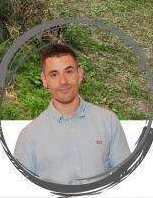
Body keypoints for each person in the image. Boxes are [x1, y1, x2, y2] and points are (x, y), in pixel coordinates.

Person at [13, 42, 130, 184]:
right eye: (54, 74)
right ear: (45, 80)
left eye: (68, 71)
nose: (63, 81)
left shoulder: (108, 122)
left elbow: (124, 179)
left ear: (79, 74)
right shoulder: (29, 136)